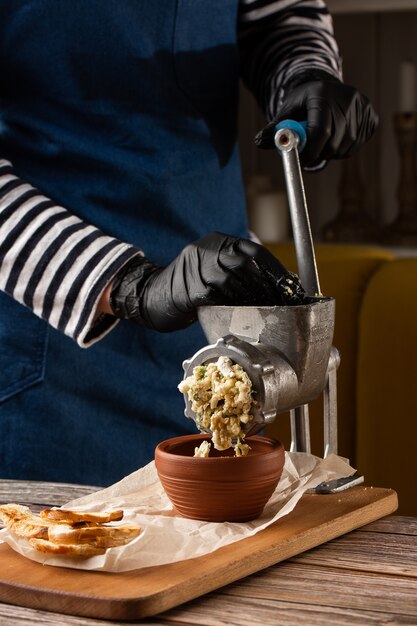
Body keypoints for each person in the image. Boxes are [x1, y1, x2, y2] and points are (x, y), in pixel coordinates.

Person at [0, 0, 377, 486]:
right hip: (52, 358)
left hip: (221, 315)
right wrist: (128, 285)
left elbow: (280, 17)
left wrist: (305, 74)